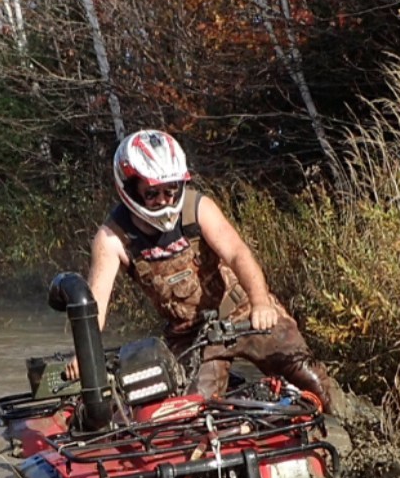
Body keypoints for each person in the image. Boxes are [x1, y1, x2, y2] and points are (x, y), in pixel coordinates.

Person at [66, 129, 352, 419]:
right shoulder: (112, 238)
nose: (164, 200)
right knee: (192, 414)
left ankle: (360, 428)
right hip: (192, 336)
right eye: (152, 193)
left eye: (170, 190)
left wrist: (261, 303)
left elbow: (238, 253)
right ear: (130, 188)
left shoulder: (197, 208)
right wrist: (83, 355)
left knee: (313, 382)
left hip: (243, 312)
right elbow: (95, 305)